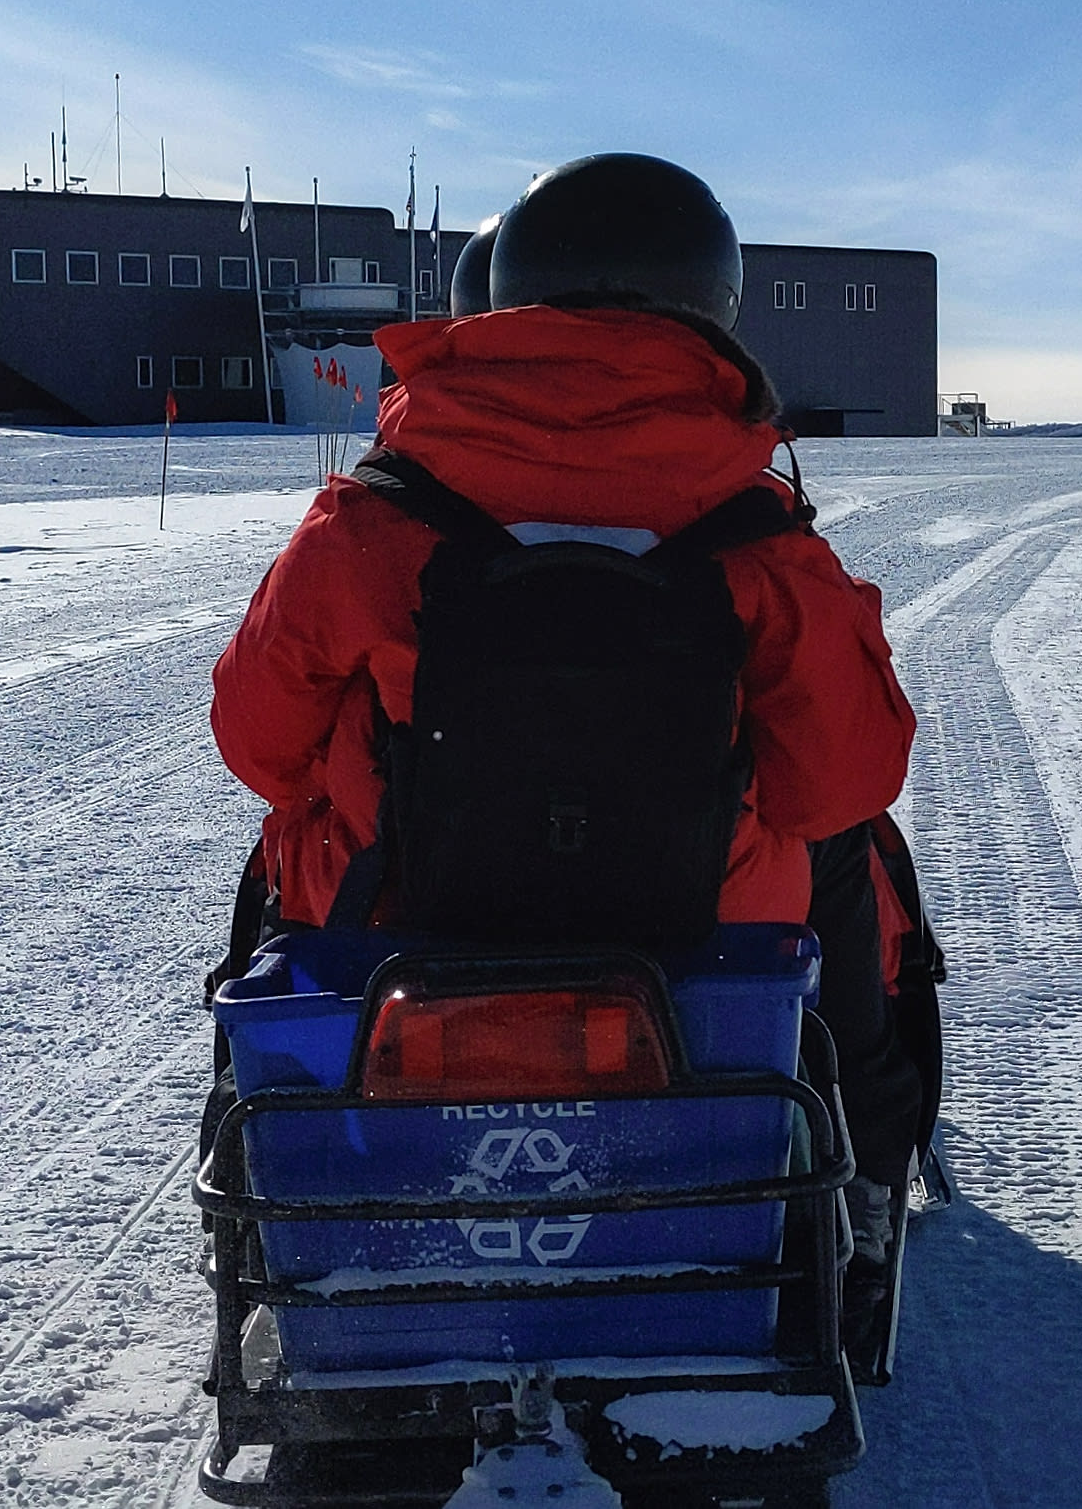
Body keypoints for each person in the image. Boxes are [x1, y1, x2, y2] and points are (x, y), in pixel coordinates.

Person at [209, 154, 939, 1340]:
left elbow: (256, 738)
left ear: (503, 295)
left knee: (289, 840)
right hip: (701, 939)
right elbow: (844, 777)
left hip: (397, 927)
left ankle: (302, 1178)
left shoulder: (376, 515)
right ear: (713, 304)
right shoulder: (755, 532)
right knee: (842, 853)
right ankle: (851, 1180)